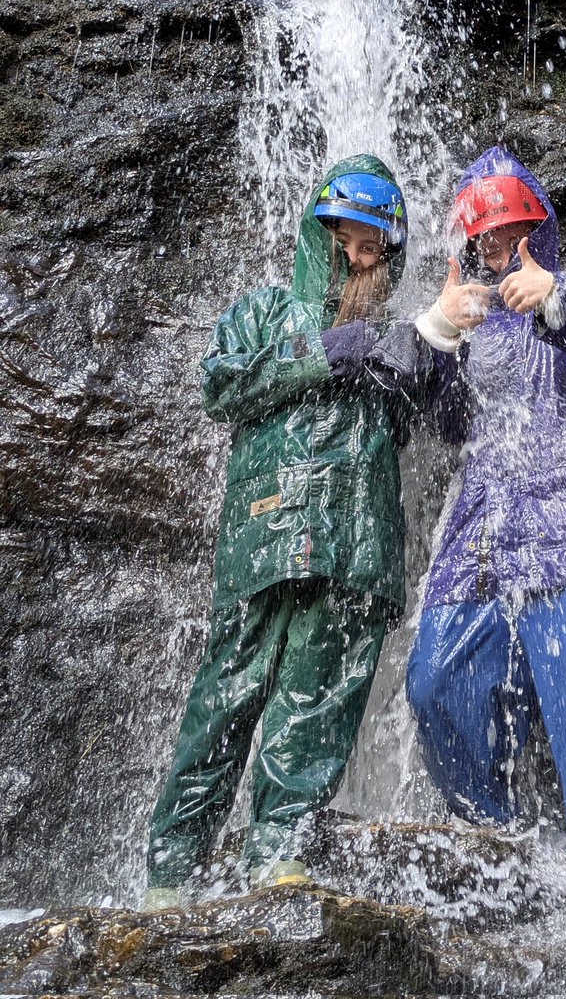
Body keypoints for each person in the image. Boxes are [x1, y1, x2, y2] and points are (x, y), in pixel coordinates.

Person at [407, 145, 566, 980]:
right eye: (485, 235)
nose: (500, 246)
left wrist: (557, 297)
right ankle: (513, 851)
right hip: (484, 531)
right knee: (436, 678)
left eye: (514, 228)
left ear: (539, 227)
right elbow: (440, 423)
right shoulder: (471, 318)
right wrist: (441, 329)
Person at [144, 155, 414, 910]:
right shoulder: (263, 312)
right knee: (223, 703)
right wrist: (318, 356)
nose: (358, 259)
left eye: (373, 248)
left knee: (318, 710)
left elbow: (430, 420)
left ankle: (279, 853)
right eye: (346, 241)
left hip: (356, 547)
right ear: (317, 233)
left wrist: (418, 367)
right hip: (264, 538)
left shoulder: (393, 335)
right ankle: (169, 874)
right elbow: (220, 386)